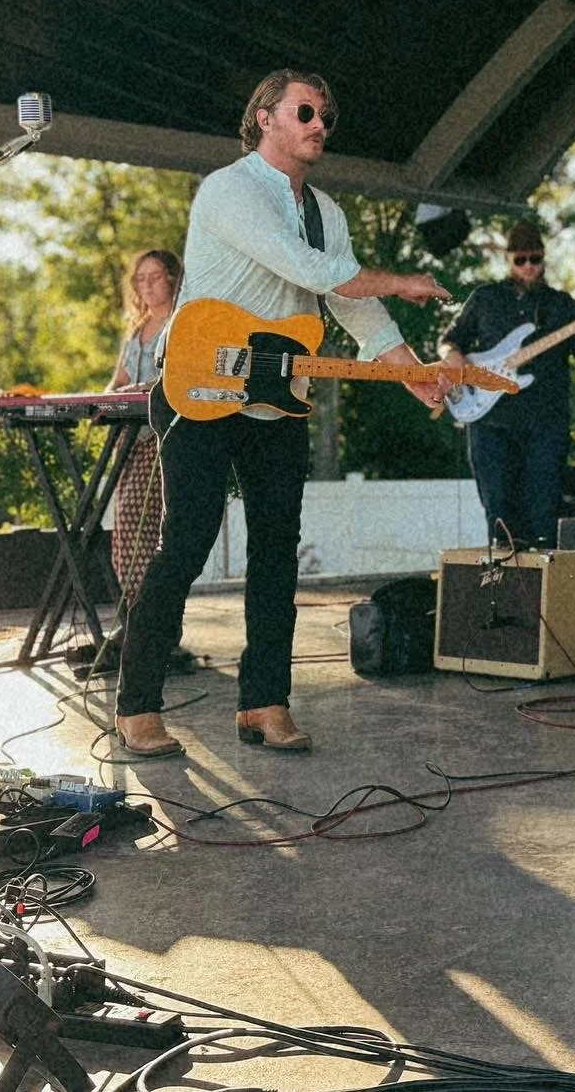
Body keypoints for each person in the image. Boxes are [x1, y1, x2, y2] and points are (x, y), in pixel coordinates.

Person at [114, 70, 452, 759]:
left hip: (278, 396)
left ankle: (264, 702)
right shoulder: (229, 190)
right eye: (305, 110)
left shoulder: (328, 210)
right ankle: (137, 704)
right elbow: (307, 270)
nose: (319, 123)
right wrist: (404, 278)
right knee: (186, 542)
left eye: (326, 113)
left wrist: (411, 371)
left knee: (277, 555)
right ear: (264, 117)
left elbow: (355, 307)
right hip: (200, 388)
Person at [438, 221, 575, 549]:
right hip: (491, 422)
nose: (528, 267)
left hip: (545, 424)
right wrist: (454, 358)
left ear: (544, 259)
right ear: (507, 260)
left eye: (534, 259)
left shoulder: (563, 305)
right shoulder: (485, 298)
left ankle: (544, 590)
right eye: (520, 260)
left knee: (544, 513)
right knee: (499, 512)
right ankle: (505, 587)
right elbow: (450, 341)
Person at [107, 249, 182, 605]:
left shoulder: (179, 325)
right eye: (141, 279)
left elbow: (178, 379)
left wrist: (138, 390)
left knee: (144, 526)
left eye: (155, 277)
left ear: (171, 278)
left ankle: (146, 616)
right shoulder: (135, 331)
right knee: (122, 530)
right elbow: (118, 381)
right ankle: (133, 613)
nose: (147, 285)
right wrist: (105, 398)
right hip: (128, 439)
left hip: (160, 438)